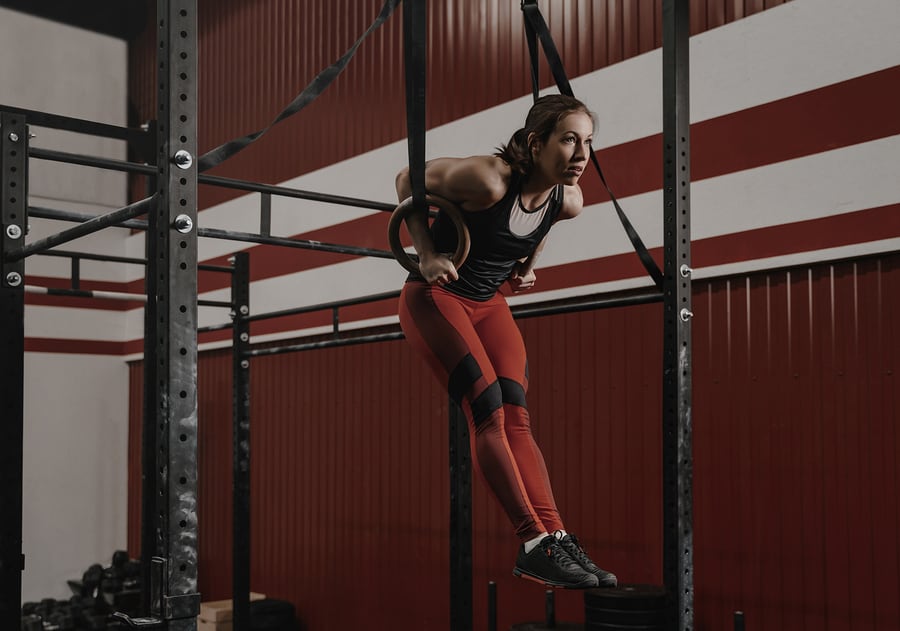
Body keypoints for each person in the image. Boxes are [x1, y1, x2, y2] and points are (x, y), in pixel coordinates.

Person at [395, 94, 617, 589]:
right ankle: (533, 542)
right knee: (488, 409)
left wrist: (529, 261)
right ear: (536, 143)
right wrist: (426, 252)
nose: (581, 153)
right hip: (436, 298)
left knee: (517, 415)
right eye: (568, 139)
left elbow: (542, 223)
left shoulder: (569, 200)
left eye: (587, 142)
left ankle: (555, 536)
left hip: (490, 303)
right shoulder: (487, 180)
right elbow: (407, 181)